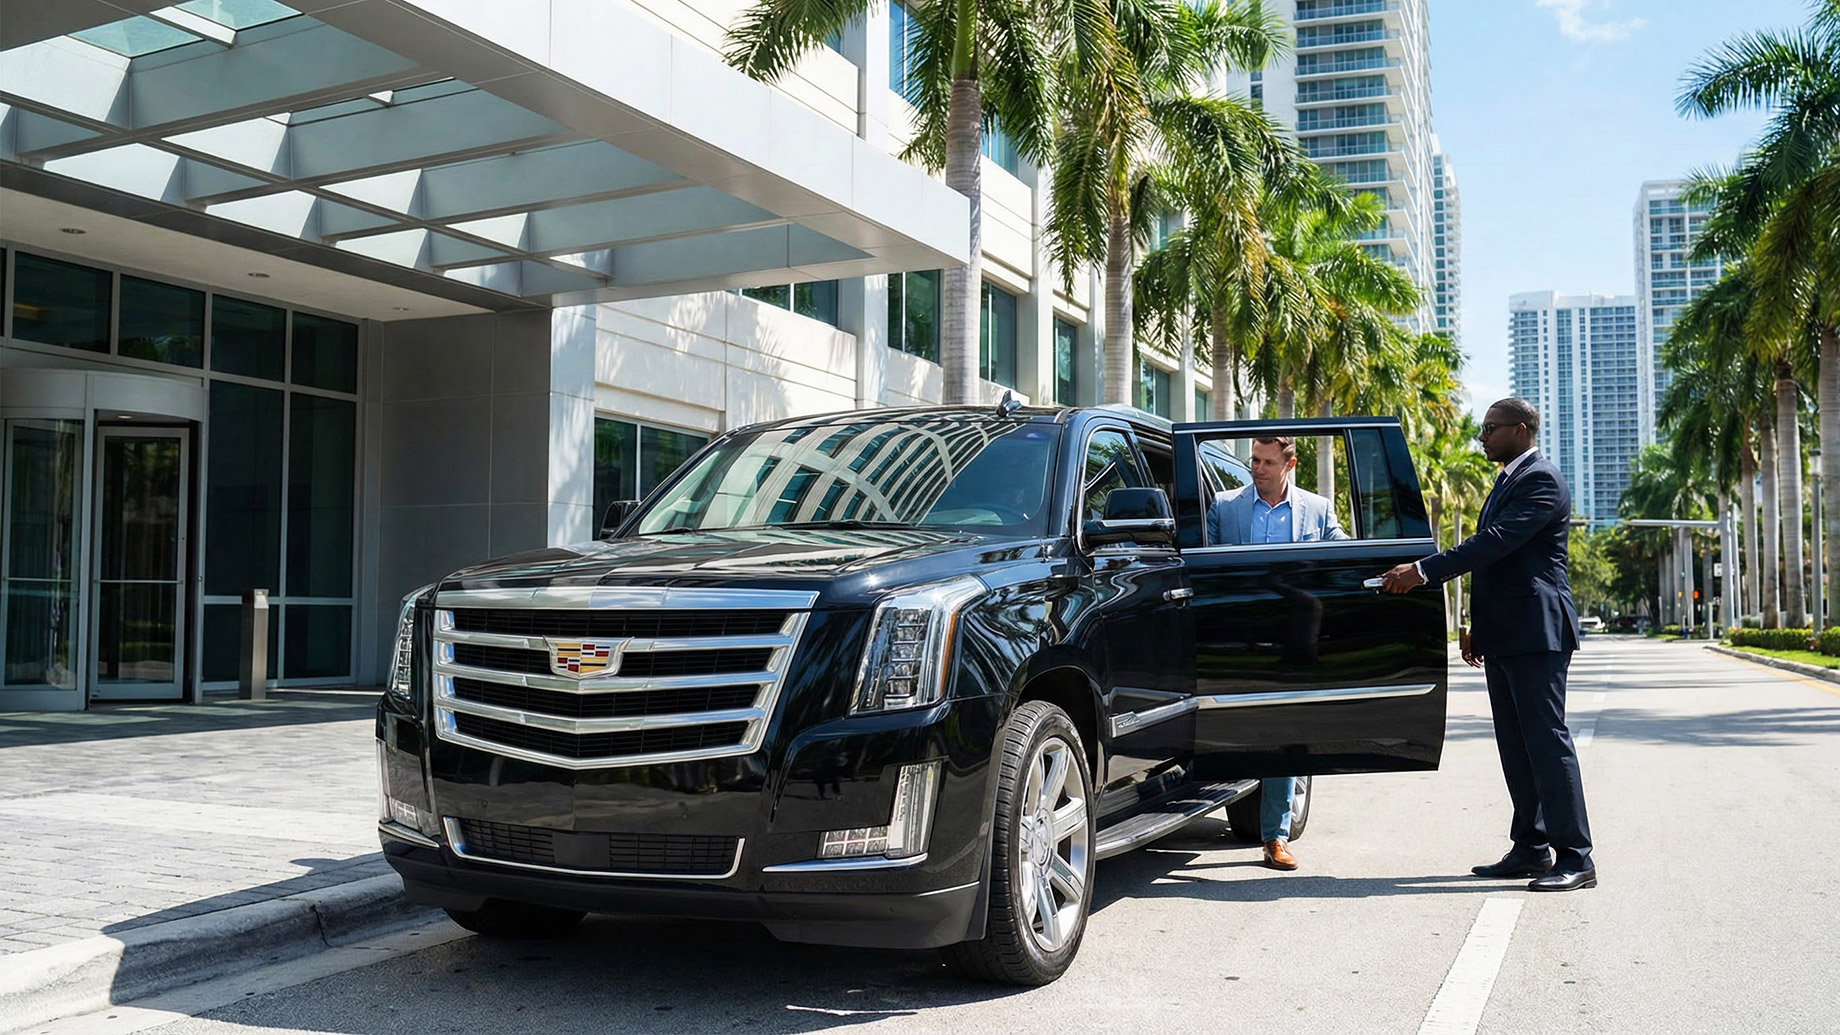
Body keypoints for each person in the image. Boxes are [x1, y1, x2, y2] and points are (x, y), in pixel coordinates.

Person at [1377, 398, 1595, 892]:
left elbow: (1494, 543)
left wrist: (1424, 570)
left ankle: (1576, 857)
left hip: (1538, 633)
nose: (1482, 436)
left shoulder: (1541, 479)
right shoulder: (1508, 479)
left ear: (1519, 431)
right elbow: (1499, 564)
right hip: (1506, 632)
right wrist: (1478, 624)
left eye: (1490, 428)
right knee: (1516, 748)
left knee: (1547, 743)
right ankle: (1532, 848)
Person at [1208, 436, 1347, 871]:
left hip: (1294, 634)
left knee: (1285, 728)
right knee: (1233, 724)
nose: (1258, 468)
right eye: (1254, 460)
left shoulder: (1318, 509)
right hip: (1239, 635)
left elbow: (1342, 555)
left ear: (1290, 464)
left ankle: (1275, 837)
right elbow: (1203, 563)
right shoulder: (1225, 506)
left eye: (1268, 462)